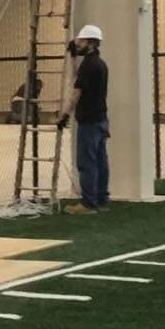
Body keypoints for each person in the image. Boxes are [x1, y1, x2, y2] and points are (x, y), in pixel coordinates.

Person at [55, 24, 109, 213]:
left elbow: (76, 92)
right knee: (100, 161)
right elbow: (79, 77)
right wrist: (72, 58)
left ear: (91, 43)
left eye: (81, 41)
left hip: (89, 122)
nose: (78, 43)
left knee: (86, 163)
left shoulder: (88, 66)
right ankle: (101, 200)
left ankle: (88, 204)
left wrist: (64, 116)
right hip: (101, 120)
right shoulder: (99, 64)